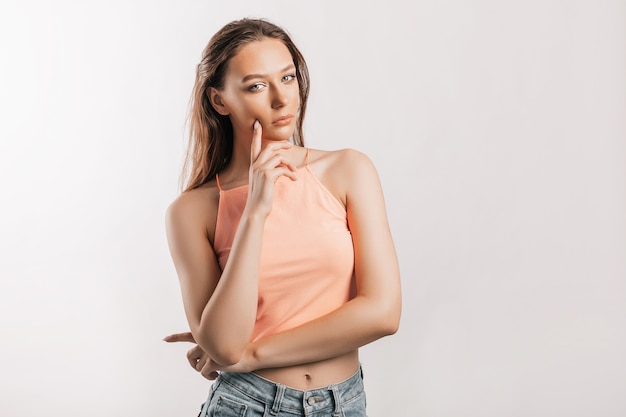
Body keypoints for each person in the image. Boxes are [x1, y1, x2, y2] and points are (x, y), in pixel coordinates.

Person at [163, 18, 401, 417]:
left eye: (287, 78)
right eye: (257, 86)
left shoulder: (348, 171)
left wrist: (254, 352)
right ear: (219, 101)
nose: (281, 99)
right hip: (245, 404)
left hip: (344, 403)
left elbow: (382, 312)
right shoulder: (192, 211)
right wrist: (254, 212)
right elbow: (223, 346)